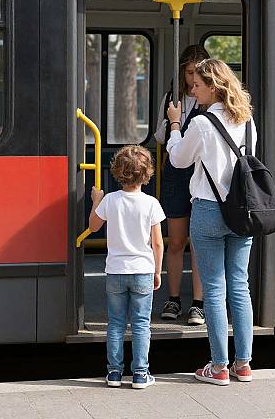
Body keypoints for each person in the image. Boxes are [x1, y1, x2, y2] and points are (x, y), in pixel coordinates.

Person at [167, 58, 256, 386]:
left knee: (215, 288)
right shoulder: (247, 121)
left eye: (198, 85)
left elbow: (178, 159)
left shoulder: (202, 123)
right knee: (240, 285)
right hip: (241, 212)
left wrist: (175, 125)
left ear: (214, 87)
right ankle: (243, 364)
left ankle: (218, 367)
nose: (192, 89)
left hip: (207, 209)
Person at [88, 145, 165, 389]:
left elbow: (93, 227)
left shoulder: (110, 200)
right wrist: (157, 271)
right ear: (147, 174)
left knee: (116, 323)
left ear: (117, 172)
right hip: (142, 270)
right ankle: (141, 374)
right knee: (141, 323)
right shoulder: (151, 203)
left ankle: (114, 373)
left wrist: (96, 201)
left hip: (116, 271)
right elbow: (158, 243)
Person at [154, 44, 209, 326]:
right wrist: (170, 120)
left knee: (198, 243)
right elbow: (161, 138)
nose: (193, 79)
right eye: (189, 72)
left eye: (198, 73)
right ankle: (173, 298)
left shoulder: (210, 101)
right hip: (176, 175)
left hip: (200, 173)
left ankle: (198, 303)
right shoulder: (172, 98)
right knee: (175, 242)